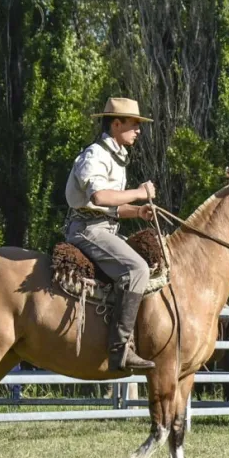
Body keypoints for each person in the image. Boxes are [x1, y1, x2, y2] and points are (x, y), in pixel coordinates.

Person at [65, 97, 157, 372]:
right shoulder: (95, 155)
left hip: (101, 226)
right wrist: (140, 193)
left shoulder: (115, 157)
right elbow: (100, 196)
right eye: (134, 124)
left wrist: (137, 212)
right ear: (116, 124)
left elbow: (109, 206)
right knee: (138, 269)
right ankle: (121, 348)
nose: (138, 130)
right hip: (86, 230)